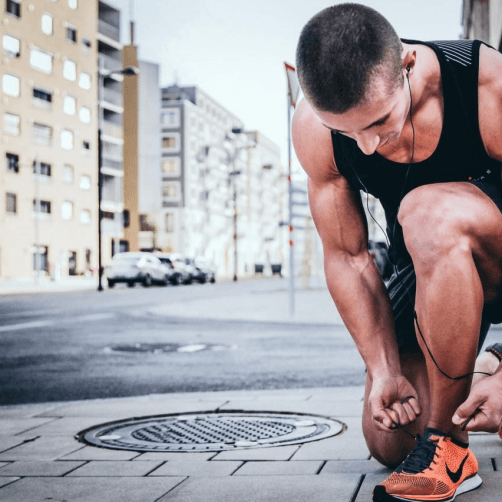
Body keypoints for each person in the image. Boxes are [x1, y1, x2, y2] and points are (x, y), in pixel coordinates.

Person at [292, 4, 502, 502]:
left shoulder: (483, 85)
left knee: (426, 211)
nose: (365, 147)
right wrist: (383, 367)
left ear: (407, 66)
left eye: (380, 121)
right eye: (349, 133)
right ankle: (460, 396)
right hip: (433, 274)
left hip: (494, 248)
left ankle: (447, 448)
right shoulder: (315, 127)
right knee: (389, 439)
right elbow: (348, 257)